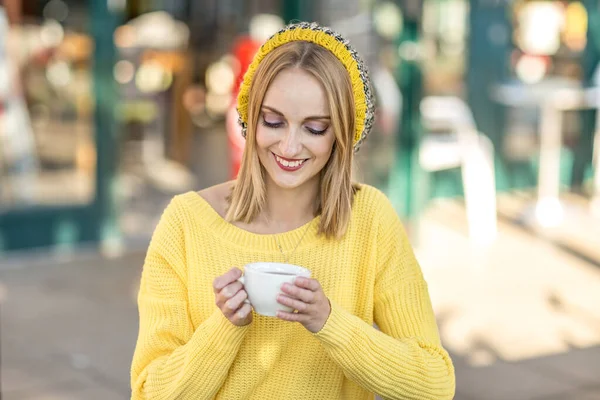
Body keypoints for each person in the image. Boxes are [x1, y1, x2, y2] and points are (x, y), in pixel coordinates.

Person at [130, 22, 455, 400]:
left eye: (315, 128)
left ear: (342, 135)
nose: (289, 145)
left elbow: (434, 384)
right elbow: (150, 393)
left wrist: (328, 322)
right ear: (250, 118)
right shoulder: (186, 223)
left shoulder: (369, 219)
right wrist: (223, 327)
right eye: (273, 121)